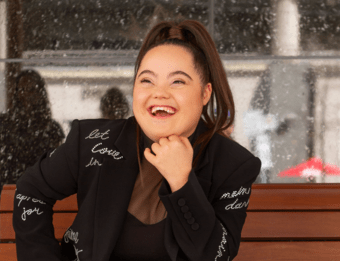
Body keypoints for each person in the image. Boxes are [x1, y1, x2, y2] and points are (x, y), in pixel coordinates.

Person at [13, 20, 261, 261]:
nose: (159, 93)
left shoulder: (234, 164)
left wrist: (182, 182)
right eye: (147, 80)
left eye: (177, 81)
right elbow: (31, 192)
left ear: (205, 93)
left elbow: (217, 255)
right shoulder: (91, 142)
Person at [0, 69, 65, 260]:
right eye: (21, 89)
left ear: (39, 93)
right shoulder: (3, 125)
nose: (25, 94)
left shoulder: (50, 129)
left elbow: (56, 172)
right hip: (6, 197)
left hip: (38, 202)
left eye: (31, 89)